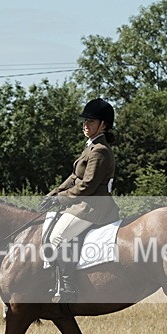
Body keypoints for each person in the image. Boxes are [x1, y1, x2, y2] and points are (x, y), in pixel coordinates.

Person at [38, 98, 120, 303]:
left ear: (104, 125)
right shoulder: (91, 147)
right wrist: (54, 193)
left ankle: (67, 289)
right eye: (85, 121)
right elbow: (75, 177)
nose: (86, 125)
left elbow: (88, 185)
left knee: (56, 237)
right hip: (84, 204)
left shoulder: (100, 150)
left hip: (93, 207)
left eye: (91, 122)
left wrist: (61, 200)